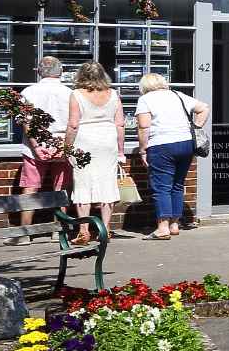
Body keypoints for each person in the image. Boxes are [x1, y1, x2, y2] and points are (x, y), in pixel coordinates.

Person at [133, 73, 207, 240]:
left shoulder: (145, 99)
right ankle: (174, 224)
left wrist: (143, 149)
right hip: (186, 143)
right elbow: (204, 108)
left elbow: (144, 126)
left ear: (144, 86)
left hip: (161, 145)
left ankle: (162, 227)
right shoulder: (177, 95)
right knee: (177, 185)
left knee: (161, 187)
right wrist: (196, 127)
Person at [63, 62, 125, 244]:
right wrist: (121, 151)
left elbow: (73, 124)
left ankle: (84, 231)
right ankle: (105, 230)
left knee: (83, 185)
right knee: (108, 184)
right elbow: (120, 124)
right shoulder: (113, 94)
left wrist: (67, 148)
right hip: (108, 142)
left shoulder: (76, 94)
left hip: (85, 141)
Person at [14, 56, 74, 241]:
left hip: (34, 147)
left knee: (30, 188)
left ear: (39, 71)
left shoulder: (28, 92)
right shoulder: (70, 93)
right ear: (61, 71)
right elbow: (74, 123)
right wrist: (65, 146)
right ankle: (58, 231)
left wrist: (36, 145)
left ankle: (25, 233)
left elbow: (26, 122)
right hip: (62, 143)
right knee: (61, 188)